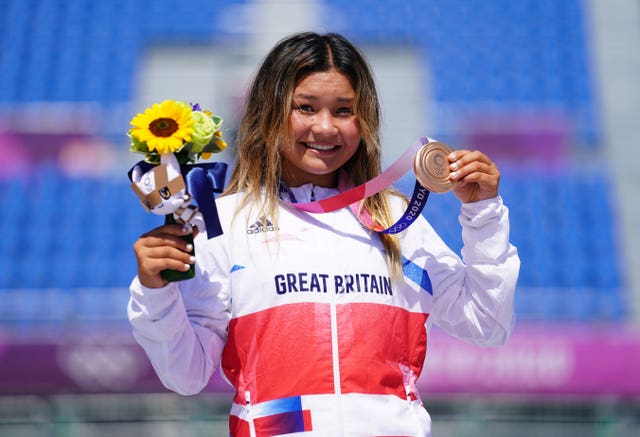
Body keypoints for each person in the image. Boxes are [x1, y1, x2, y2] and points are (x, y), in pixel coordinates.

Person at [128, 31, 520, 437]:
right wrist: (155, 292)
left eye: (344, 110)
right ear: (269, 113)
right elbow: (186, 373)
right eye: (306, 108)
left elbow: (487, 323)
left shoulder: (396, 219)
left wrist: (482, 213)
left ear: (364, 119)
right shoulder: (225, 222)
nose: (325, 127)